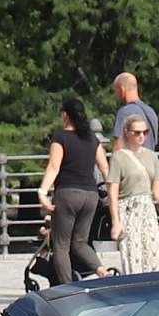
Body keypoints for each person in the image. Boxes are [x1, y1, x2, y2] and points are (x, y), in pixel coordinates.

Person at [35, 97, 106, 285]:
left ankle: (67, 287)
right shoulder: (92, 139)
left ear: (65, 115)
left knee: (61, 245)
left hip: (67, 193)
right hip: (91, 195)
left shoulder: (61, 137)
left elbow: (53, 166)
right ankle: (100, 269)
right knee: (80, 242)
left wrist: (42, 192)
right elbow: (105, 168)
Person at [107, 114, 159, 273]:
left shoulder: (151, 156)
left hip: (147, 208)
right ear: (127, 132)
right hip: (128, 209)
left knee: (153, 254)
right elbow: (112, 190)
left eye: (145, 132)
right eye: (137, 132)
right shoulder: (118, 157)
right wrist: (115, 221)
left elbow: (157, 189)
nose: (142, 136)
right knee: (133, 256)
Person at [109, 72, 159, 152]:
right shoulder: (151, 112)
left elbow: (119, 146)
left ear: (122, 89)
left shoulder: (125, 112)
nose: (116, 95)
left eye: (116, 91)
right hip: (148, 162)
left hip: (130, 162)